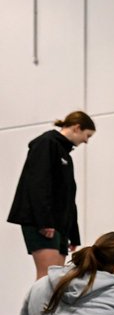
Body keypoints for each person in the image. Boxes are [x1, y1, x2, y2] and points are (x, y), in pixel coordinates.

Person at [8, 111, 96, 279]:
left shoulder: (65, 154)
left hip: (58, 224)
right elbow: (37, 184)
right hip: (42, 221)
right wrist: (44, 222)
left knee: (57, 279)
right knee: (47, 277)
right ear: (77, 128)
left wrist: (73, 234)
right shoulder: (46, 143)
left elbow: (68, 197)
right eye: (87, 135)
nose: (86, 141)